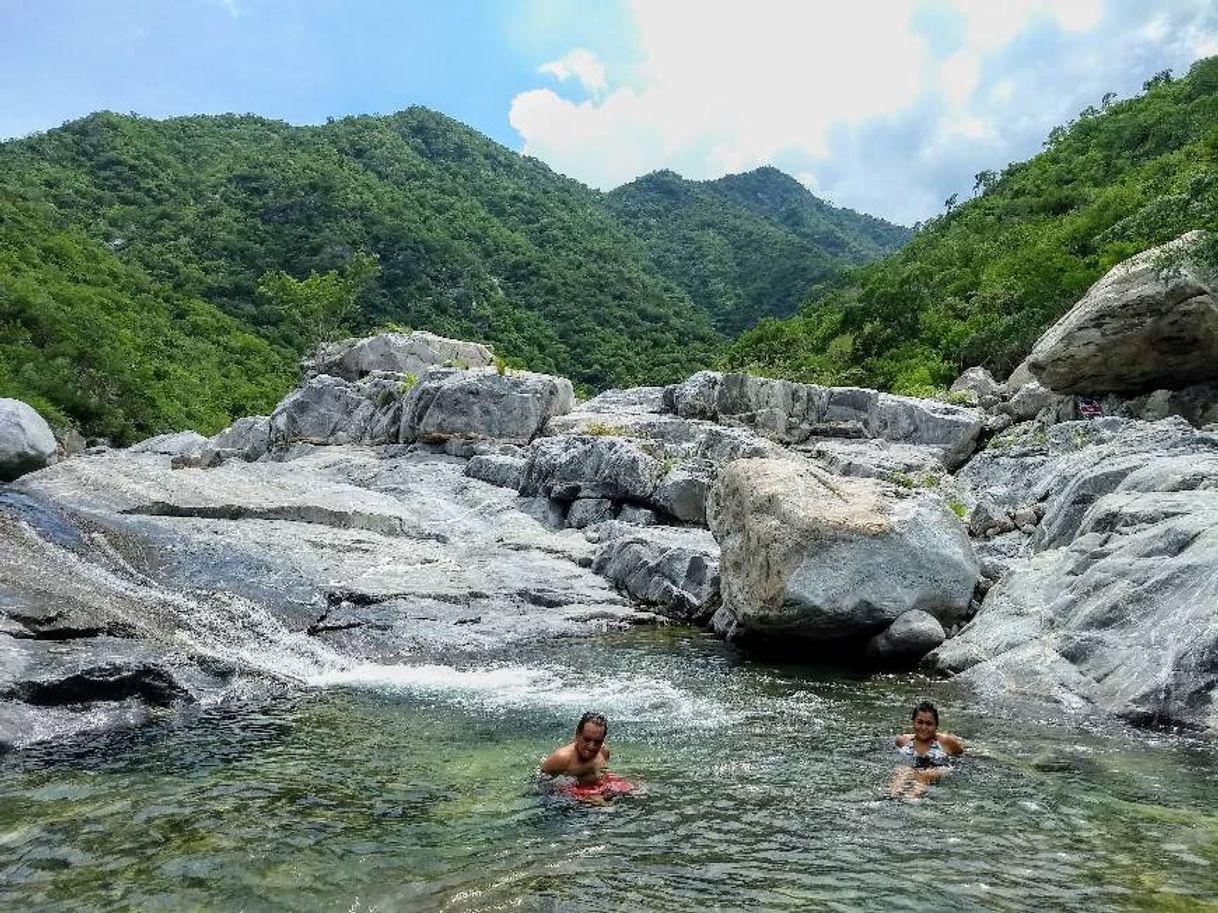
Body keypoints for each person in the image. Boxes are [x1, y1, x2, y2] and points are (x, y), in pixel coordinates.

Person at [889, 700, 963, 799]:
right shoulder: (903, 741)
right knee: (903, 772)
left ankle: (910, 801)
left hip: (938, 768)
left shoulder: (946, 741)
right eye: (920, 722)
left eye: (929, 724)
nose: (924, 727)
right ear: (913, 722)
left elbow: (960, 756)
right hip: (914, 766)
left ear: (936, 726)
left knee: (924, 777)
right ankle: (891, 797)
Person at [541, 711, 611, 783]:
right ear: (577, 734)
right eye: (587, 739)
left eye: (598, 742)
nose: (591, 746)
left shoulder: (603, 752)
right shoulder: (562, 758)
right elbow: (540, 784)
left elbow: (602, 774)